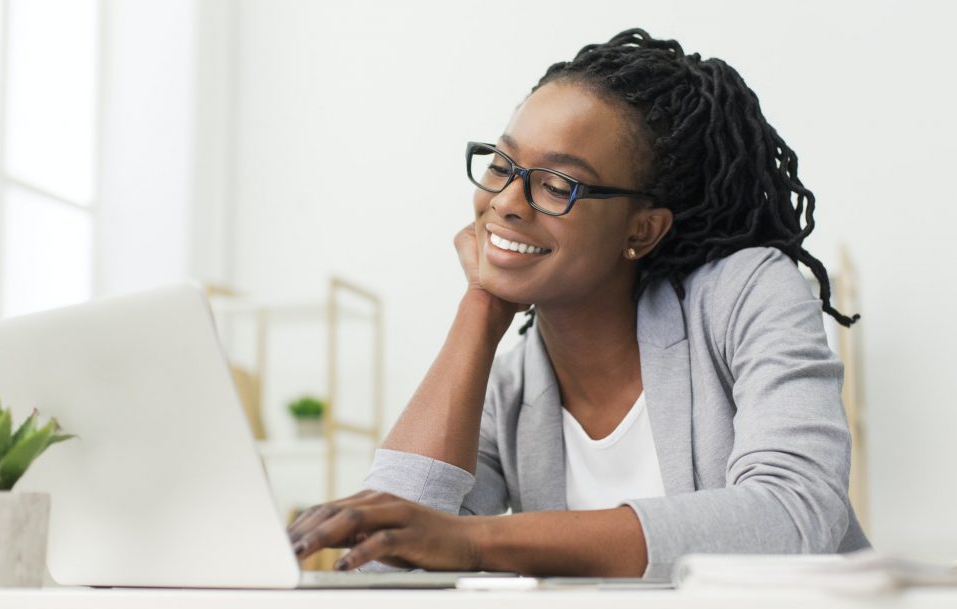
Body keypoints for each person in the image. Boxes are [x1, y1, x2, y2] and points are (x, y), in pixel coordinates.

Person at [287, 27, 871, 580]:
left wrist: (477, 541)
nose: (509, 202)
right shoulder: (510, 389)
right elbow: (387, 563)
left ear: (641, 229)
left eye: (557, 185)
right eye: (501, 166)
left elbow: (794, 515)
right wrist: (480, 310)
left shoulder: (747, 293)